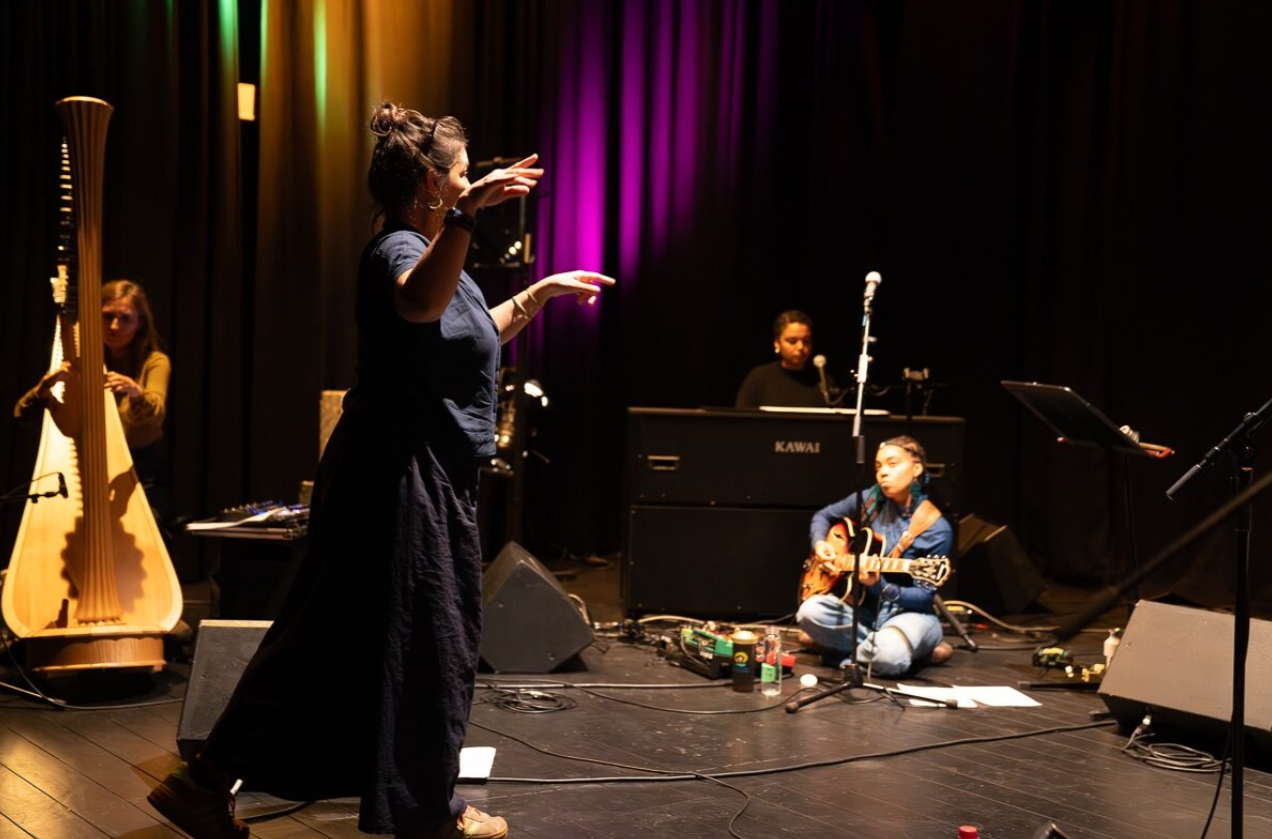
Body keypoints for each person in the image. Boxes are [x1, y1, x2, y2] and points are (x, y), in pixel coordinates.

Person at [146, 102, 614, 839]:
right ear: (431, 182)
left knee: (328, 637)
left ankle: (202, 784)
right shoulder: (398, 249)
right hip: (396, 473)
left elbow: (470, 330)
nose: (470, 182)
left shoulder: (435, 250)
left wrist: (539, 293)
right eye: (461, 174)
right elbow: (417, 304)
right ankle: (426, 813)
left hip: (409, 469)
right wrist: (466, 217)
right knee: (432, 638)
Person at [796, 435, 954, 677]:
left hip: (909, 615)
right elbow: (823, 516)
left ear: (916, 469)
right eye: (878, 466)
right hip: (865, 612)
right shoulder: (871, 499)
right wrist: (820, 544)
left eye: (892, 464)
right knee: (809, 612)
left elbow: (923, 598)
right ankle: (892, 651)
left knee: (889, 656)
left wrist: (880, 586)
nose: (883, 473)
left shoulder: (935, 528)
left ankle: (842, 653)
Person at [15, 279, 172, 517]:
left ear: (140, 322)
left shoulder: (154, 361)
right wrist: (44, 387)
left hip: (139, 472)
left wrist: (135, 391)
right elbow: (22, 414)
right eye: (107, 316)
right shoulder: (77, 357)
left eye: (125, 318)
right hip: (86, 467)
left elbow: (156, 413)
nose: (115, 326)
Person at [734, 310, 834, 408]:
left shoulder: (823, 381)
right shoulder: (759, 378)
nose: (800, 347)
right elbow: (742, 416)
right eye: (792, 341)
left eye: (806, 341)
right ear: (777, 343)